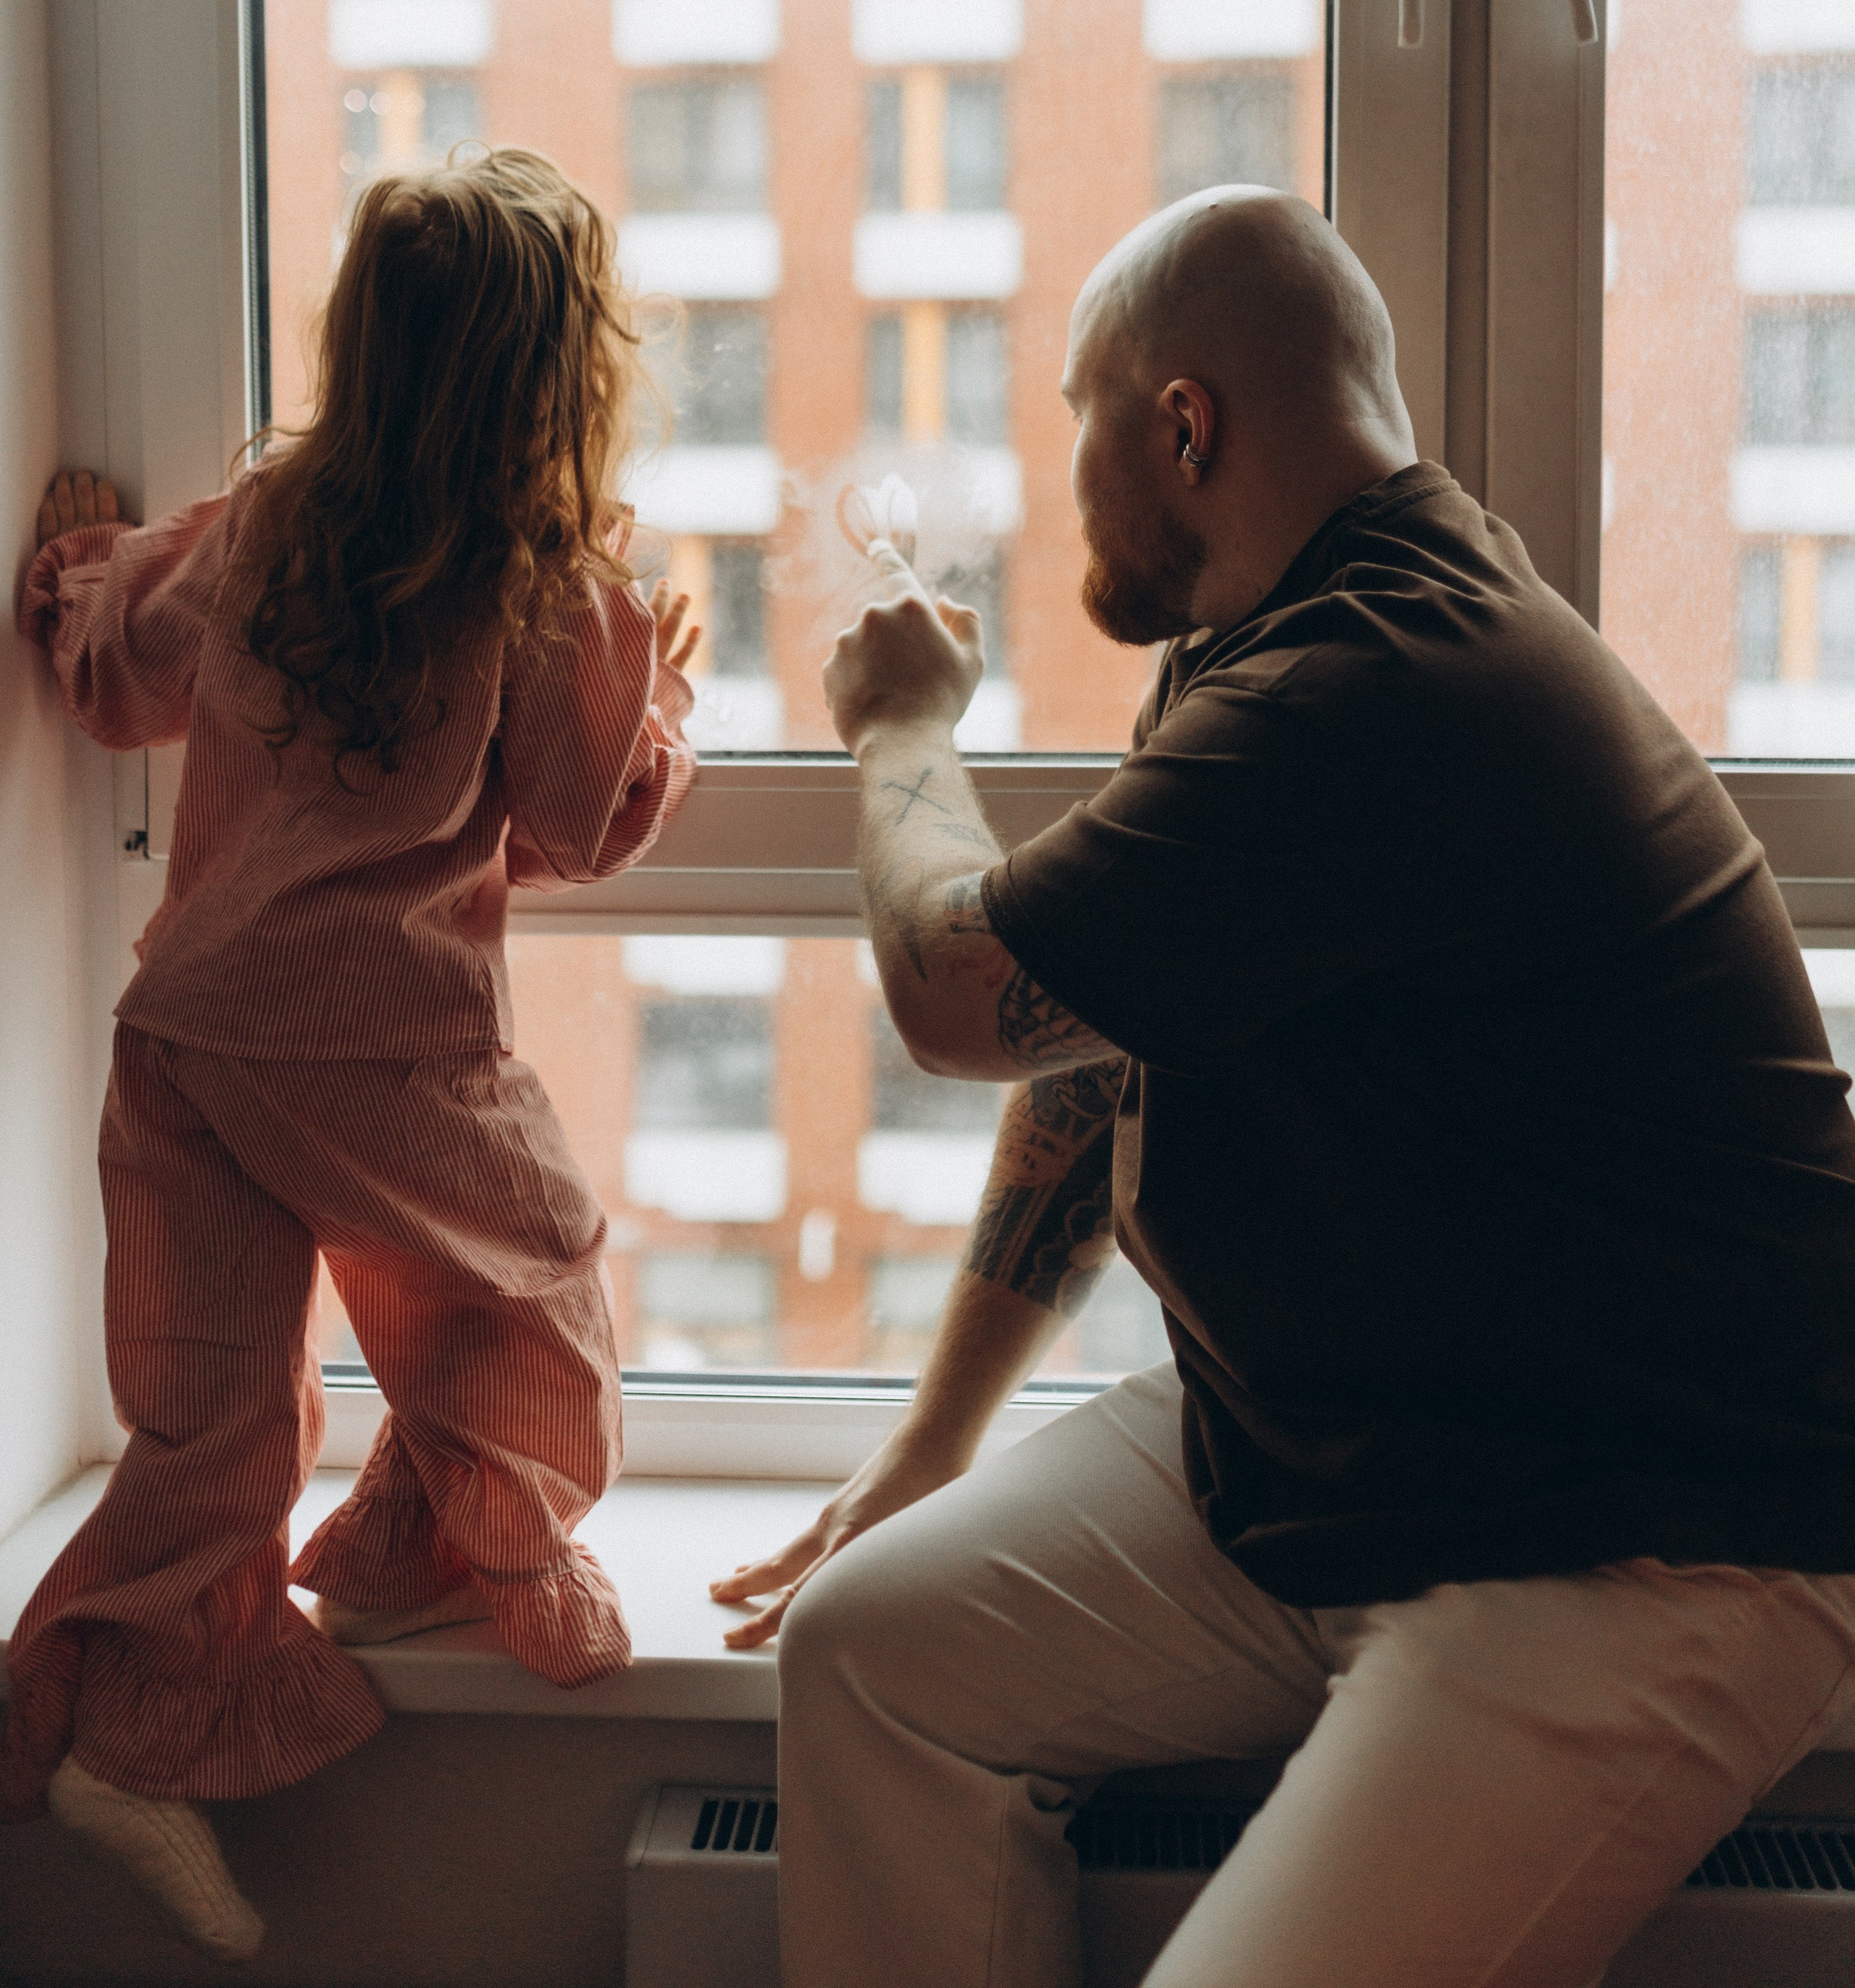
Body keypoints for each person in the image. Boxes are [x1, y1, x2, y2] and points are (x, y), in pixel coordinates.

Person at [714, 186, 1855, 1988]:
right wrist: (936, 1437)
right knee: (872, 1660)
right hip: (1346, 1461)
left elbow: (957, 990)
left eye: (1076, 416)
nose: (1061, 474)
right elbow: (1098, 1036)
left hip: (1636, 1545)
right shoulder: (1263, 646)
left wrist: (903, 729)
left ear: (1181, 426)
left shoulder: (1381, 679)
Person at [4, 151, 699, 1963]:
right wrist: (663, 702)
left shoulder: (262, 531)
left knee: (208, 1407)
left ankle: (132, 1747)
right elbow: (571, 814)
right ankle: (436, 1534)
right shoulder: (545, 595)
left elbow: (119, 665)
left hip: (184, 1027)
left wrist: (73, 569)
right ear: (562, 381)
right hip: (372, 1039)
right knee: (533, 1287)